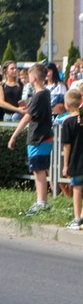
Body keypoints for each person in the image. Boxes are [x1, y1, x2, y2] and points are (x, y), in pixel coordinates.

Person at [8, 63, 54, 216]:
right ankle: (41, 200)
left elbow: (28, 117)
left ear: (33, 78)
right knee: (38, 169)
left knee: (38, 169)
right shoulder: (45, 93)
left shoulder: (39, 95)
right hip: (43, 136)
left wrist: (14, 135)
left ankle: (42, 202)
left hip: (38, 138)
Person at [60, 89, 83, 229]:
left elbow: (66, 146)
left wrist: (65, 164)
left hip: (76, 159)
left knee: (77, 188)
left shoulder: (68, 122)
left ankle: (77, 218)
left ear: (67, 104)